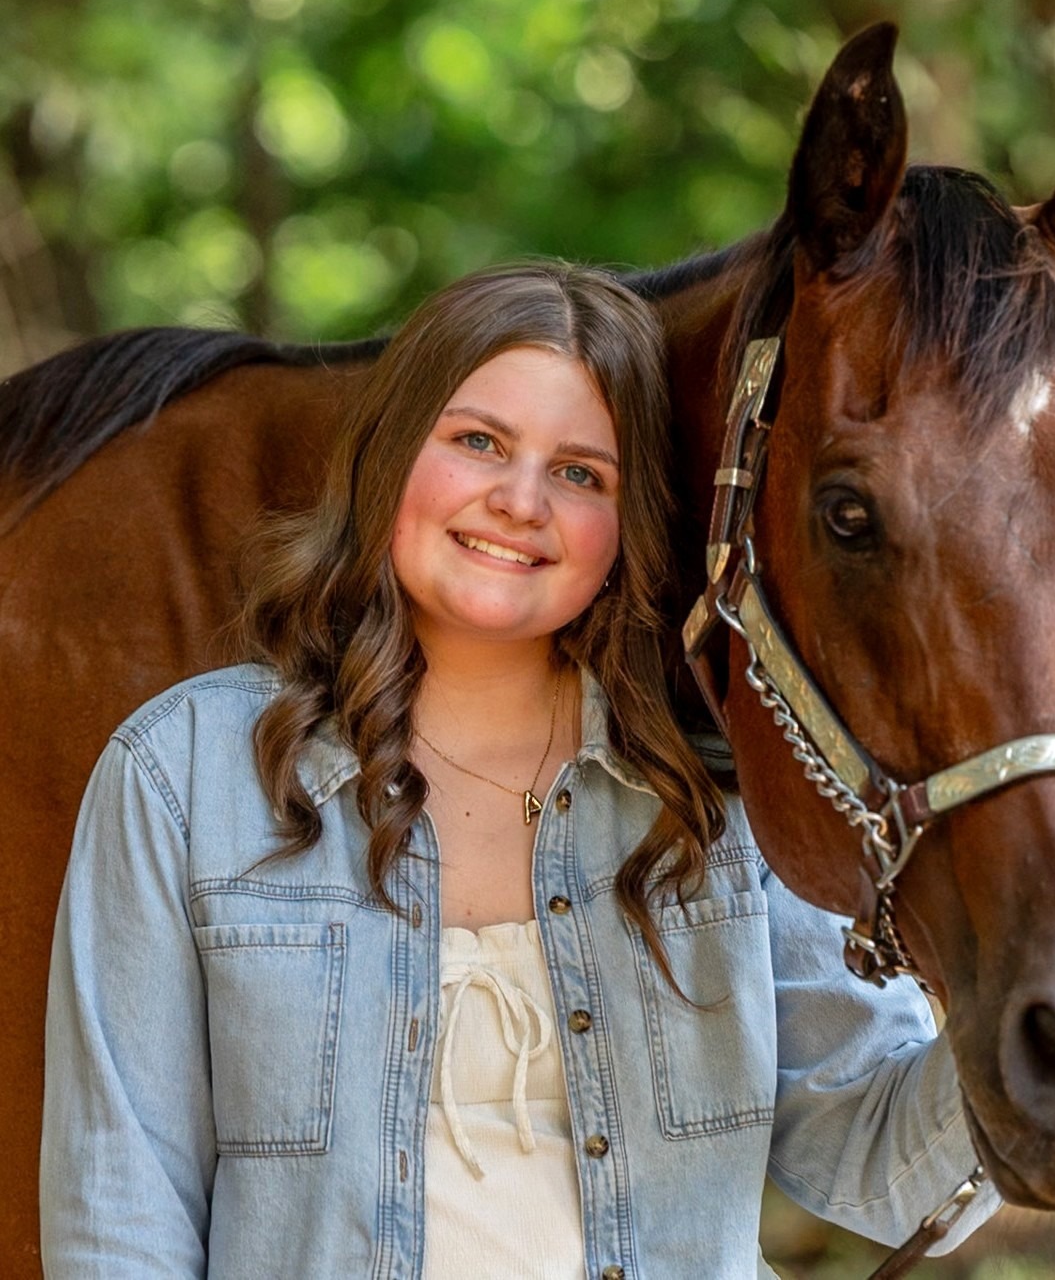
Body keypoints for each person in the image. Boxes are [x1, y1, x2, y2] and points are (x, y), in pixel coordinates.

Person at [41, 262, 997, 1278]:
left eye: (582, 472)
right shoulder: (183, 774)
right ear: (390, 453)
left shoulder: (718, 805)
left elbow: (888, 1172)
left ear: (626, 527)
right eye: (478, 442)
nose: (519, 501)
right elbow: (119, 1219)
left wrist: (1037, 996)